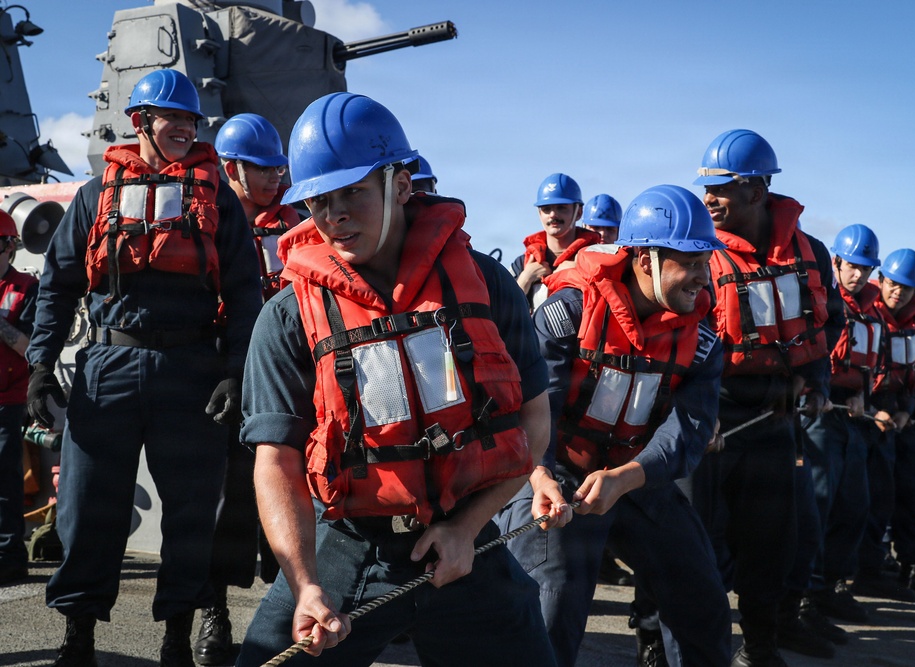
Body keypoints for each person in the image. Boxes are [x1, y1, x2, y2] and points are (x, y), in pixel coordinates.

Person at [234, 92, 563, 667]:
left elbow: (533, 419)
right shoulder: (287, 316)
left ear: (402, 184)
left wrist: (467, 527)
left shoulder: (484, 284)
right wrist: (306, 583)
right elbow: (277, 461)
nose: (334, 215)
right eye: (317, 200)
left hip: (465, 541)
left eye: (352, 193)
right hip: (350, 546)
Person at [25, 69, 263, 667]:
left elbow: (243, 293)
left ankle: (176, 640)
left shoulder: (220, 201)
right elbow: (56, 285)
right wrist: (40, 364)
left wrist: (236, 371)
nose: (184, 128)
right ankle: (78, 637)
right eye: (172, 118)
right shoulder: (92, 196)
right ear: (141, 123)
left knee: (190, 512)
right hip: (107, 363)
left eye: (190, 120)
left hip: (192, 369)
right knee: (85, 509)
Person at [501, 184, 733, 667]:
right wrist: (541, 476)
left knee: (703, 601)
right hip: (557, 473)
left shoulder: (704, 341)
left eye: (704, 262)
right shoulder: (568, 313)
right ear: (645, 260)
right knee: (551, 604)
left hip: (635, 477)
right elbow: (532, 405)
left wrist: (626, 477)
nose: (701, 277)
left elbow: (688, 430)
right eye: (688, 263)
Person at [689, 129, 838, 667]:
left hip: (774, 420)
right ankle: (657, 647)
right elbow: (673, 345)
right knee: (685, 546)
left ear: (756, 191)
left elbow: (826, 324)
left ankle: (760, 648)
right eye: (707, 188)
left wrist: (814, 382)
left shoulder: (810, 253)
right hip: (706, 422)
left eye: (722, 189)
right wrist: (693, 418)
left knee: (772, 543)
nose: (708, 199)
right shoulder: (698, 253)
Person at [190, 112, 298, 665]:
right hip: (228, 374)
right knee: (225, 501)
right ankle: (215, 613)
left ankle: (308, 606)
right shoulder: (206, 221)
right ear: (232, 169)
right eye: (265, 168)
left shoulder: (301, 223)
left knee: (304, 494)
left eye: (281, 166)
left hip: (289, 376)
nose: (278, 176)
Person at [796, 225, 888, 636]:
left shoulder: (873, 312)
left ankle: (832, 585)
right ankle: (804, 596)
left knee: (855, 505)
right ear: (836, 262)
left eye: (866, 269)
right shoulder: (824, 301)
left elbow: (875, 364)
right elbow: (813, 351)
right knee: (816, 506)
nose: (858, 275)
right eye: (852, 266)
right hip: (820, 416)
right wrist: (825, 390)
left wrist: (866, 399)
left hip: (852, 421)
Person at [852, 249, 915, 599]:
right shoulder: (866, 312)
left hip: (896, 420)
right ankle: (854, 574)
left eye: (905, 288)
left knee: (894, 498)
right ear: (881, 281)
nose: (897, 292)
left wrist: (907, 408)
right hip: (862, 416)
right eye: (892, 284)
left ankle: (890, 566)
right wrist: (872, 409)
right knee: (859, 502)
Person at [0, 211, 38, 587]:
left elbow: (29, 346)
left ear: (10, 247)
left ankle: (11, 556)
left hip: (7, 400)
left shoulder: (27, 288)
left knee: (5, 482)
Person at [511, 173, 600, 312]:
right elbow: (501, 314)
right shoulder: (522, 264)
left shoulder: (595, 257)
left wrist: (578, 272)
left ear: (578, 212)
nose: (553, 214)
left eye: (561, 207)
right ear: (540, 213)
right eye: (547, 209)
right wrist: (525, 279)